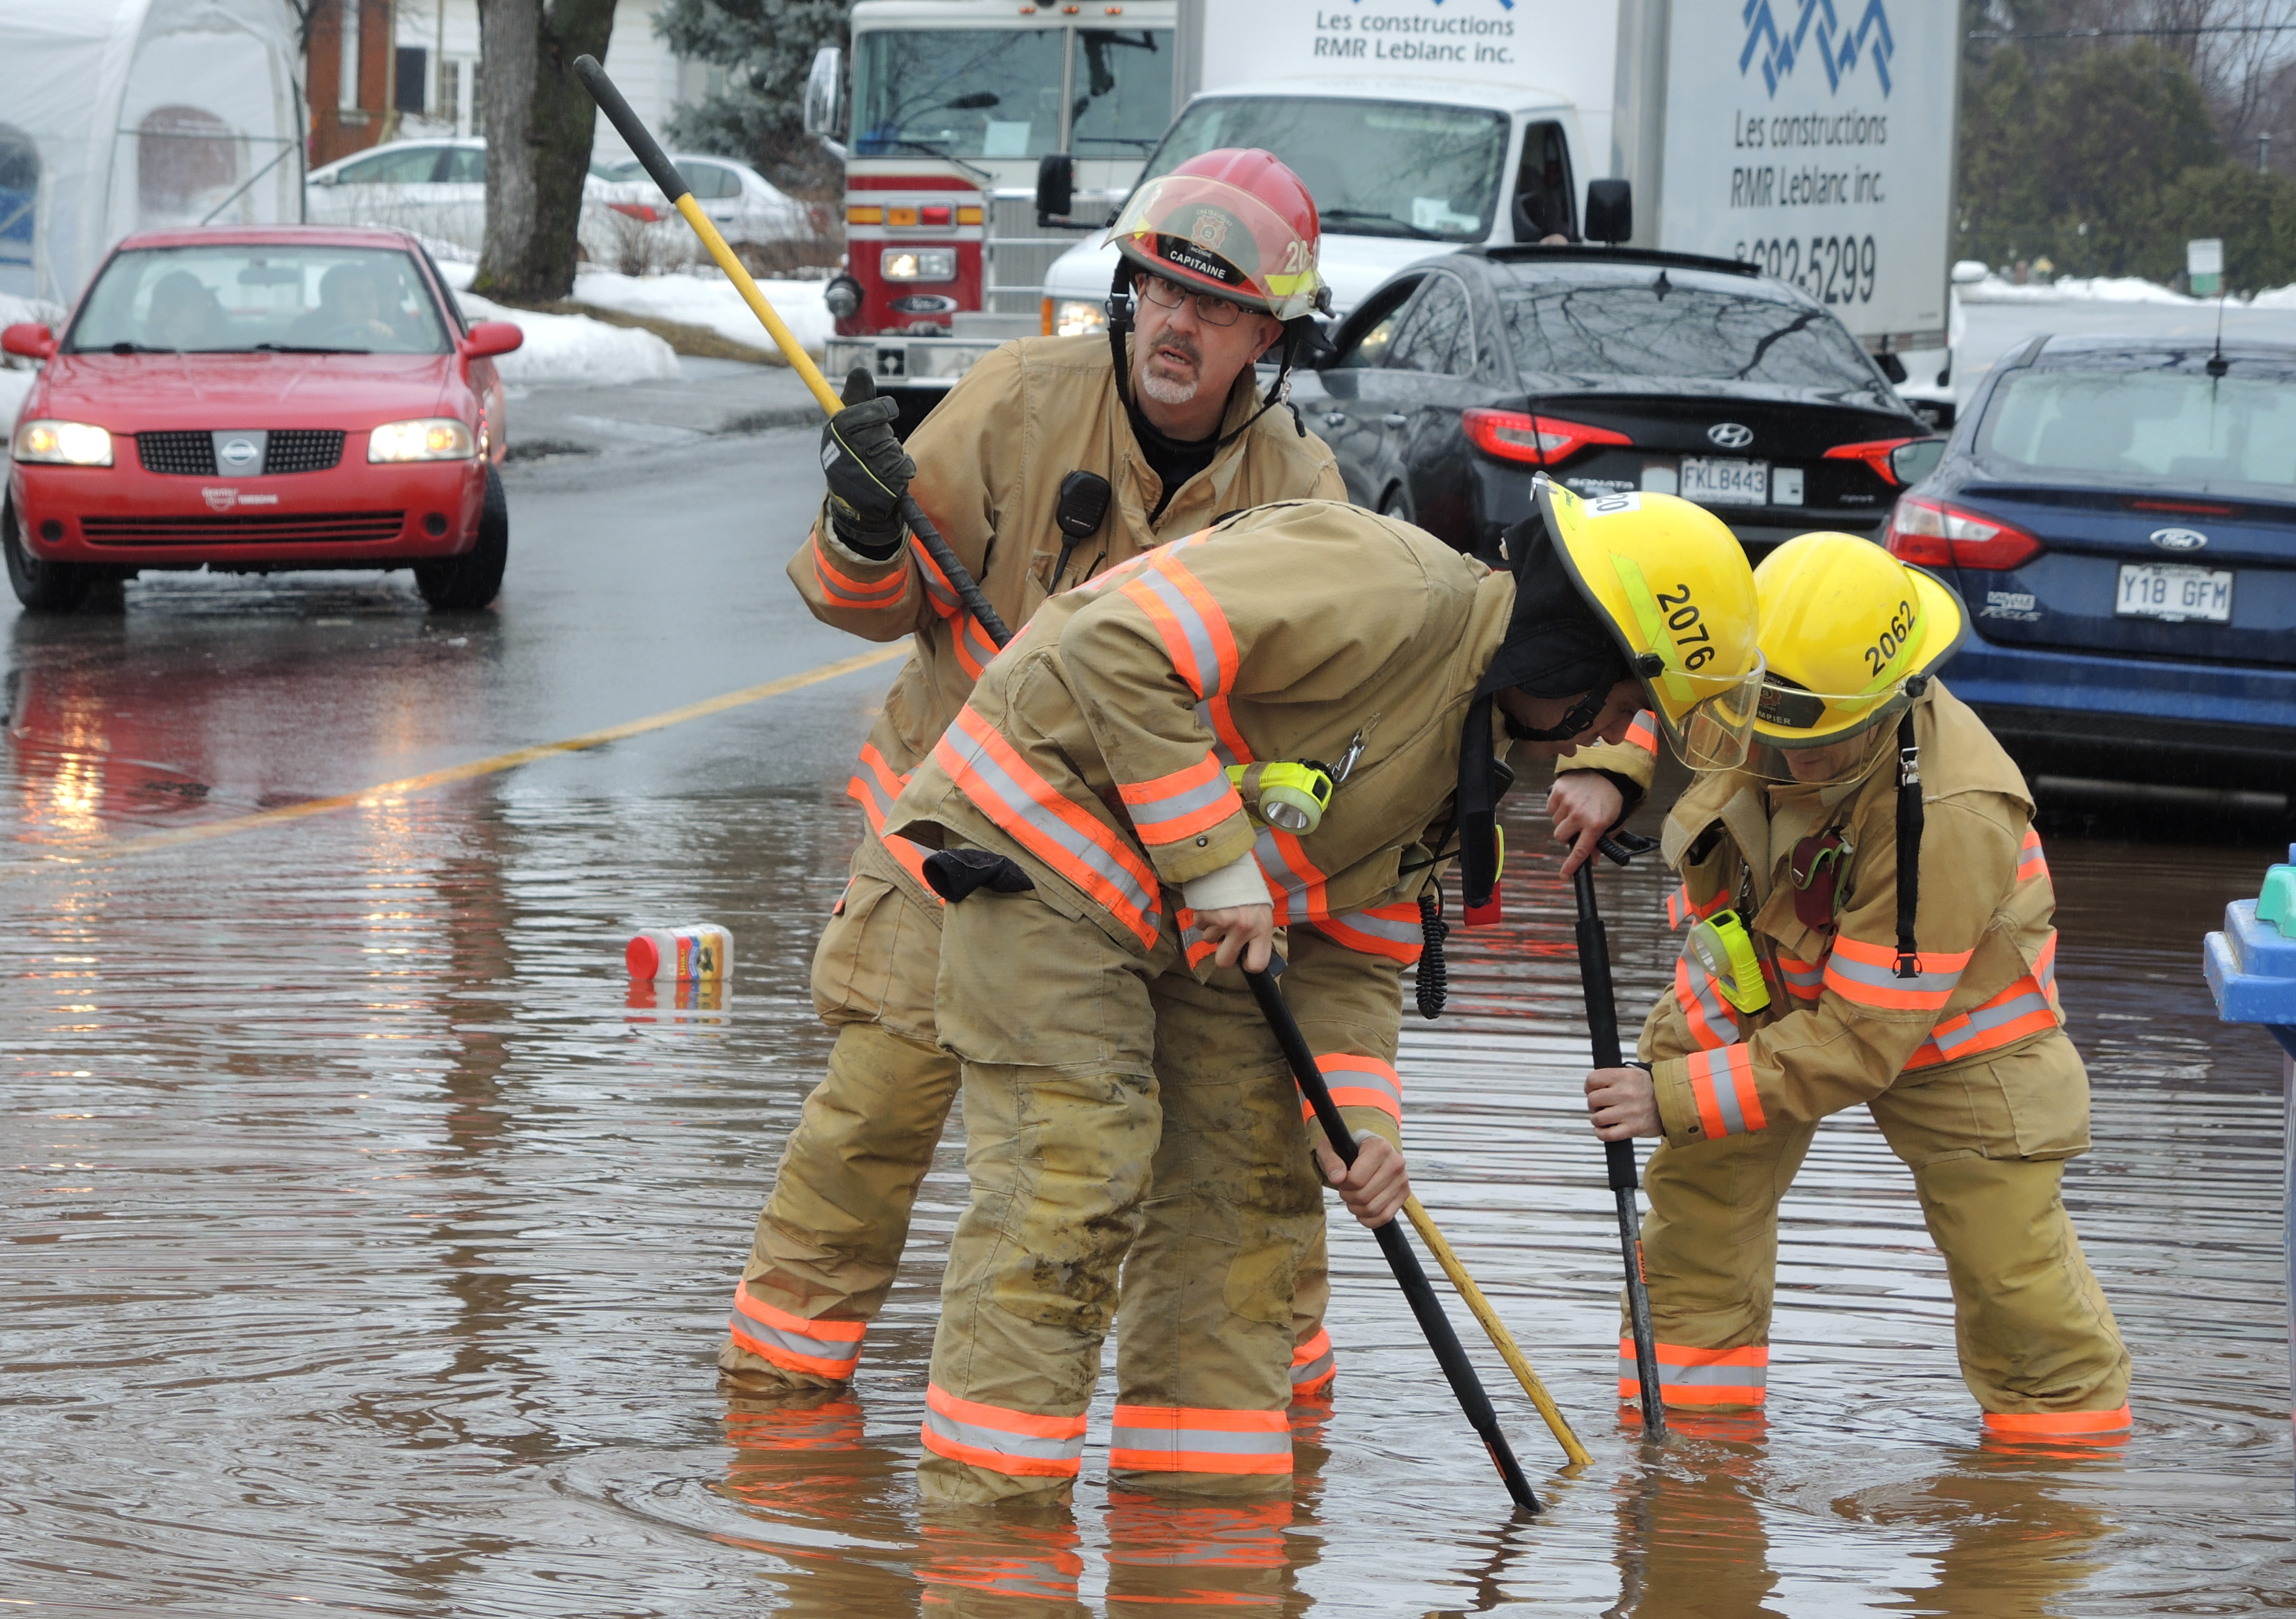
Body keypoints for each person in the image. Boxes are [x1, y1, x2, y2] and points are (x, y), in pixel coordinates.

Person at [724, 152, 1657, 1402]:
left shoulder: (1300, 488)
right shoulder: (1013, 402)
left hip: (1162, 885)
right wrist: (865, 528)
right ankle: (777, 1405)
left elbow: (1318, 753)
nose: (1179, 323)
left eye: (1217, 308)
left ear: (1267, 335)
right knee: (875, 1121)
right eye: (1159, 289)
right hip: (948, 835)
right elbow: (871, 605)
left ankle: (1269, 1425)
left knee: (1240, 1151)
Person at [879, 484, 1763, 1502]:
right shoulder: (1379, 580)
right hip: (1047, 845)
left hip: (1199, 917)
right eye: (1612, 709)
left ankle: (1205, 1551)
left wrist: (1359, 1126)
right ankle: (992, 1539)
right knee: (1075, 1172)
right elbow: (1116, 648)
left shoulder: (1461, 748)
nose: (1593, 738)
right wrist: (1217, 866)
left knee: (1254, 1188)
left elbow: (1354, 948)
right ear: (1573, 644)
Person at [1580, 530, 2131, 1441]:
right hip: (1760, 990)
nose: (1785, 761)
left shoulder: (1951, 815)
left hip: (1956, 1042)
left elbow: (1860, 1042)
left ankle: (2057, 1491)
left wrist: (1668, 1093)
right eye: (1769, 724)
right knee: (1696, 1227)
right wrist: (1608, 767)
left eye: (1820, 745)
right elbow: (1662, 688)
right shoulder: (1757, 672)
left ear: (1887, 704)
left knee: (2012, 1281)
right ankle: (1688, 1472)